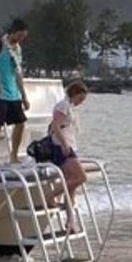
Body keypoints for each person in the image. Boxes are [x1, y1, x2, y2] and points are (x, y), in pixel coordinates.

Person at [0, 18, 30, 164]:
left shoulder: (17, 49)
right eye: (19, 36)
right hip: (0, 93)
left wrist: (24, 96)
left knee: (21, 123)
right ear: (13, 32)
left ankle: (14, 155)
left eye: (23, 38)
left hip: (14, 94)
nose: (20, 40)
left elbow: (18, 73)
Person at [49, 78, 89, 228]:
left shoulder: (69, 106)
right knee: (80, 177)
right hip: (62, 147)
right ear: (74, 94)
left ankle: (70, 221)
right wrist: (65, 144)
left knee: (72, 186)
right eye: (80, 98)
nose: (81, 102)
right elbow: (56, 126)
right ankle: (50, 195)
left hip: (70, 146)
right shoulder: (63, 105)